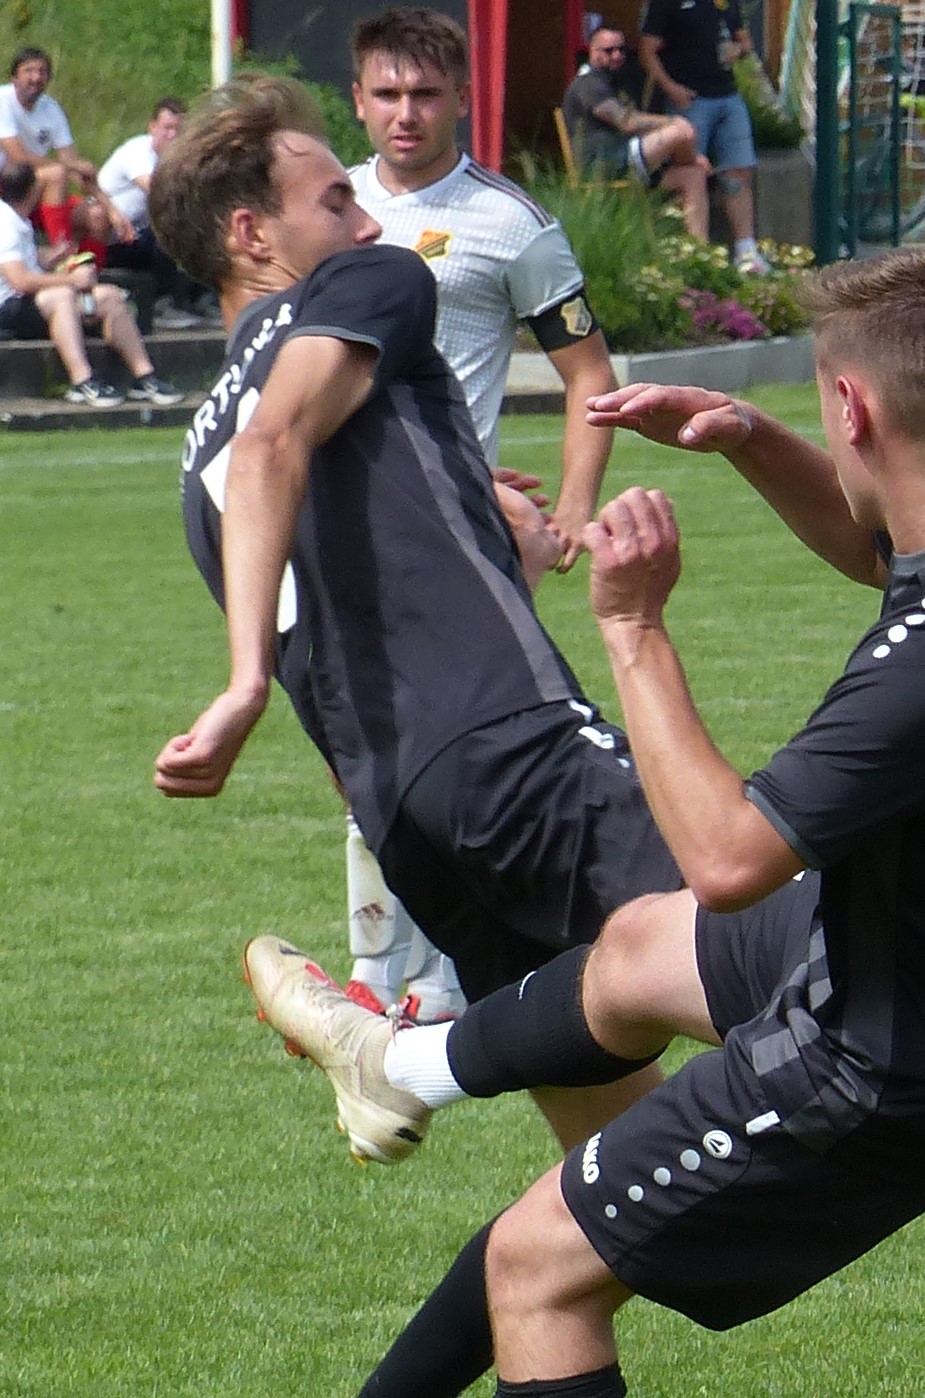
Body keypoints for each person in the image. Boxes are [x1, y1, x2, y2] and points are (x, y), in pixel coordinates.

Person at [147, 79, 925, 1398]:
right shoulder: (368, 285)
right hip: (518, 755)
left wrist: (496, 514)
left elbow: (342, 530)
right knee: (847, 974)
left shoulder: (195, 465)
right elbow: (293, 443)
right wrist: (243, 683)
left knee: (593, 1192)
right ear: (252, 235)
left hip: (414, 812)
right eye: (328, 193)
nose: (365, 211)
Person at [338, 5, 625, 1026]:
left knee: (454, 756)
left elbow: (590, 375)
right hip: (347, 528)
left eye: (425, 94)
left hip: (463, 534)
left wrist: (569, 515)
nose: (405, 113)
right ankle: (380, 976)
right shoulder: (331, 210)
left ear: (462, 97)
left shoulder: (509, 223)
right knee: (364, 755)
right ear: (357, 99)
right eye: (386, 93)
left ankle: (442, 978)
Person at [0, 161, 178, 405]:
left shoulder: (18, 219)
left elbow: (25, 264)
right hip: (2, 313)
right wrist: (72, 279)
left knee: (109, 296)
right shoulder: (1, 226)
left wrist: (53, 258)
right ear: (33, 190)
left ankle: (144, 377)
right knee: (63, 295)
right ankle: (83, 381)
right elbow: (20, 282)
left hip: (31, 304)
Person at [639, 0, 770, 272]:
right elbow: (647, 50)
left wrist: (739, 49)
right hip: (690, 99)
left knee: (739, 169)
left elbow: (744, 40)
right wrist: (671, 88)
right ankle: (693, 254)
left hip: (728, 95)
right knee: (691, 170)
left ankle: (746, 251)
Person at [562, 25, 710, 236]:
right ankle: (690, 161)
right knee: (682, 131)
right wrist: (673, 122)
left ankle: (697, 250)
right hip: (603, 166)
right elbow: (627, 122)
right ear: (592, 51)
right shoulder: (588, 84)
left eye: (621, 50)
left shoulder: (616, 82)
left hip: (626, 162)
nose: (617, 56)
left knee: (693, 176)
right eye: (609, 50)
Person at [0, 46, 114, 261]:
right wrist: (72, 167)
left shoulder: (51, 108)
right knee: (56, 173)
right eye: (28, 71)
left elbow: (71, 160)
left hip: (37, 188)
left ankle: (89, 275)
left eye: (42, 72)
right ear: (14, 77)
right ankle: (63, 257)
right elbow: (19, 158)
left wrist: (109, 206)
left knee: (97, 215)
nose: (36, 77)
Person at [96, 98, 211, 328]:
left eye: (178, 130)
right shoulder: (138, 151)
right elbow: (160, 194)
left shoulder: (176, 161)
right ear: (152, 127)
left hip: (137, 236)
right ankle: (162, 304)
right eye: (167, 128)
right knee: (172, 225)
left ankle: (199, 298)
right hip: (111, 239)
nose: (172, 135)